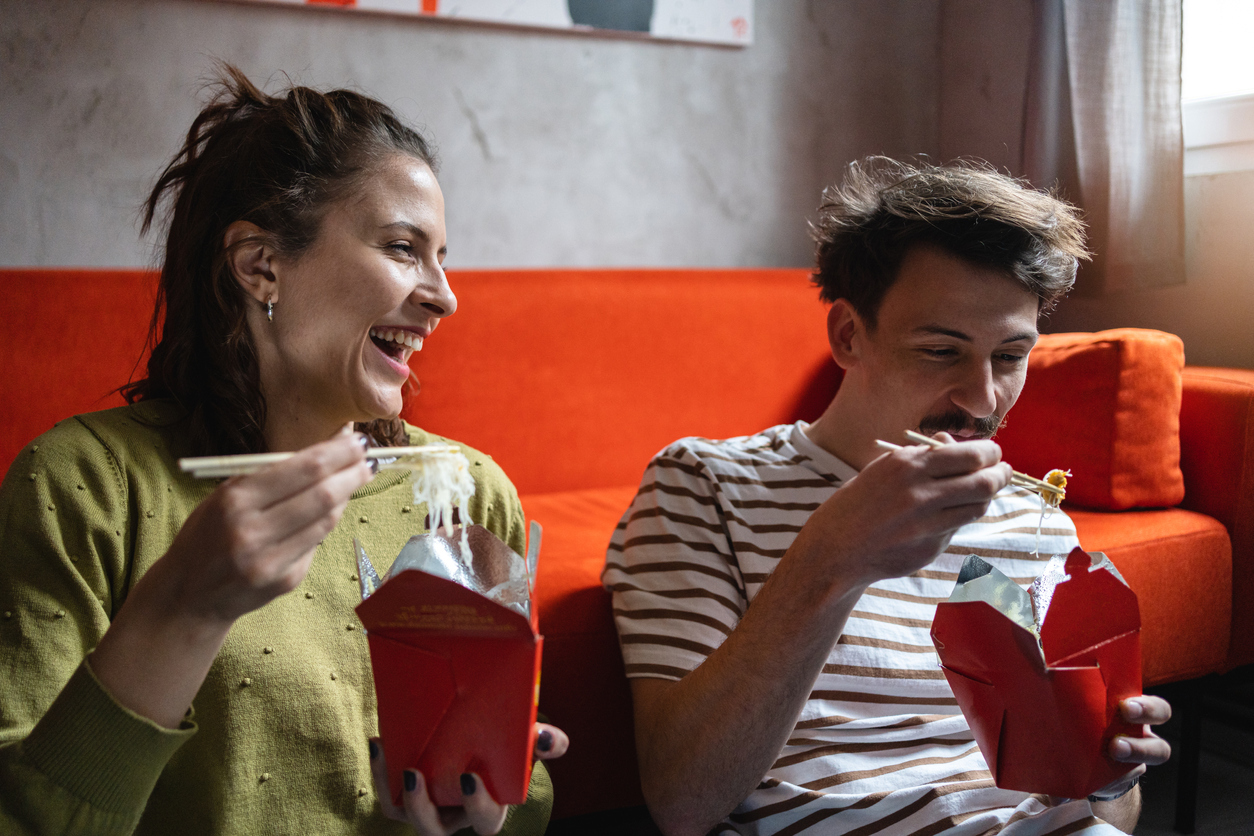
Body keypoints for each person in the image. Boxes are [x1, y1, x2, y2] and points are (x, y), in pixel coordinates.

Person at [0, 66, 566, 836]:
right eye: (404, 248)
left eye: (442, 256)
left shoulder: (468, 490)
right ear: (261, 266)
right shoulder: (81, 485)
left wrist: (478, 808)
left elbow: (524, 796)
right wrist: (183, 605)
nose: (444, 295)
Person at [602, 158, 1172, 836]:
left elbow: (1108, 811)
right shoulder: (702, 483)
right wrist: (834, 559)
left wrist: (1109, 772)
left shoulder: (1035, 518)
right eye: (940, 351)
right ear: (849, 335)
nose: (982, 399)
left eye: (1010, 356)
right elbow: (684, 803)